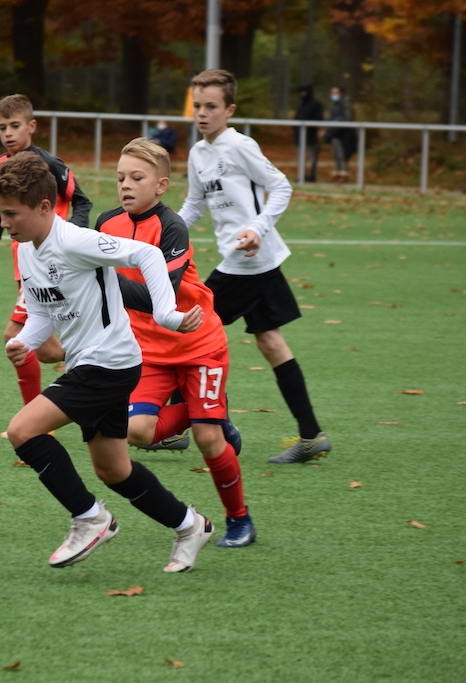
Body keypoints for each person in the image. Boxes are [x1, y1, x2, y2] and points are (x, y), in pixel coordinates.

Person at [0, 152, 215, 573]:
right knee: (114, 470)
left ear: (44, 206)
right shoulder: (26, 250)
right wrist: (25, 341)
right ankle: (190, 526)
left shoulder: (76, 240)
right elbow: (43, 310)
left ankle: (89, 518)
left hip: (109, 362)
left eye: (11, 214)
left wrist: (166, 314)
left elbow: (147, 256)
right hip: (91, 363)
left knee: (22, 430)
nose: (3, 223)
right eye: (1, 213)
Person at [97, 138, 254, 547]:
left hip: (198, 344)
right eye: (120, 178)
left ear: (161, 185)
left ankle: (239, 520)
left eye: (137, 178)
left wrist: (106, 283)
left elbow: (159, 297)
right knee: (137, 432)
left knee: (207, 438)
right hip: (150, 352)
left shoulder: (171, 227)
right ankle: (208, 410)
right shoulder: (106, 223)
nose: (125, 185)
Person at [179, 69, 331, 465]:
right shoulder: (198, 153)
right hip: (250, 262)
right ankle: (311, 435)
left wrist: (257, 228)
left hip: (248, 262)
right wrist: (162, 230)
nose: (202, 114)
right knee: (270, 342)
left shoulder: (239, 145)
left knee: (190, 330)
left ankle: (175, 424)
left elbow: (281, 186)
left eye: (211, 107)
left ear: (229, 110)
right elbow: (194, 205)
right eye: (198, 106)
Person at [0, 94, 93, 412]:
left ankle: (35, 420)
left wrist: (70, 238)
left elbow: (82, 202)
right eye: (2, 128)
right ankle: (101, 355)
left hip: (51, 264)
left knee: (14, 336)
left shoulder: (49, 164)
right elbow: (4, 209)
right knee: (47, 351)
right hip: (25, 265)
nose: (8, 133)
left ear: (32, 126)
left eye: (15, 126)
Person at [323, 85, 355, 182]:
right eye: (332, 93)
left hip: (344, 134)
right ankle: (336, 174)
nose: (333, 95)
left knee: (343, 155)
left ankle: (344, 175)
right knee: (336, 155)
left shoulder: (345, 105)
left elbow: (346, 118)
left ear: (341, 93)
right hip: (334, 133)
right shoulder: (334, 105)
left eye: (335, 93)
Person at [292, 85, 323, 182]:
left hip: (311, 135)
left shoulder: (315, 104)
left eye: (304, 92)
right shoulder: (301, 105)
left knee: (312, 156)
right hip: (300, 135)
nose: (302, 94)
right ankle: (302, 175)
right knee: (301, 157)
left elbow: (318, 119)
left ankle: (312, 175)